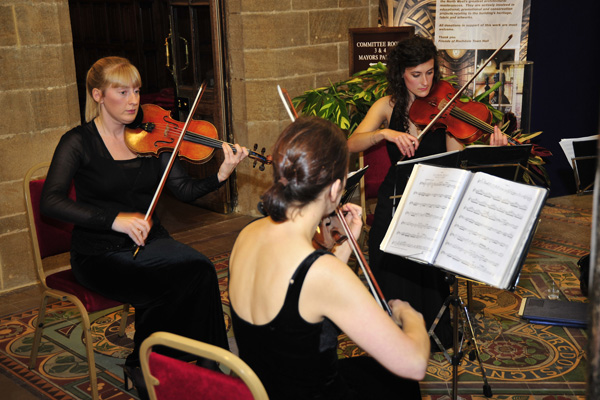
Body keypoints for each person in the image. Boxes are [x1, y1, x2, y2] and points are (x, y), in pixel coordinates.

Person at [40, 56, 248, 397]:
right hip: (98, 252)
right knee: (169, 284)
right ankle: (144, 361)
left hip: (150, 241)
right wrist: (115, 220)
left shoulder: (153, 138)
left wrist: (221, 174)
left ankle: (209, 363)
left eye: (136, 90)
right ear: (98, 95)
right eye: (122, 92)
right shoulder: (78, 142)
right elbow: (51, 201)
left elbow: (183, 190)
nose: (134, 100)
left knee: (201, 270)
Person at [228, 116, 430, 400]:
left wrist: (345, 244)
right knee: (403, 383)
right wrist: (411, 316)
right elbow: (414, 364)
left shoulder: (246, 235)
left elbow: (301, 308)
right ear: (336, 189)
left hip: (268, 387)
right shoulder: (321, 273)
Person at [346, 35, 508, 349]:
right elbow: (352, 143)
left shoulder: (447, 105)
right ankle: (390, 330)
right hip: (396, 196)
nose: (425, 82)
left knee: (427, 268)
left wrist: (489, 148)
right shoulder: (387, 106)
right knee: (387, 259)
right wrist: (385, 133)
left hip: (433, 195)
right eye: (416, 74)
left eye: (431, 72)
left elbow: (455, 159)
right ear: (400, 73)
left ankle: (430, 331)